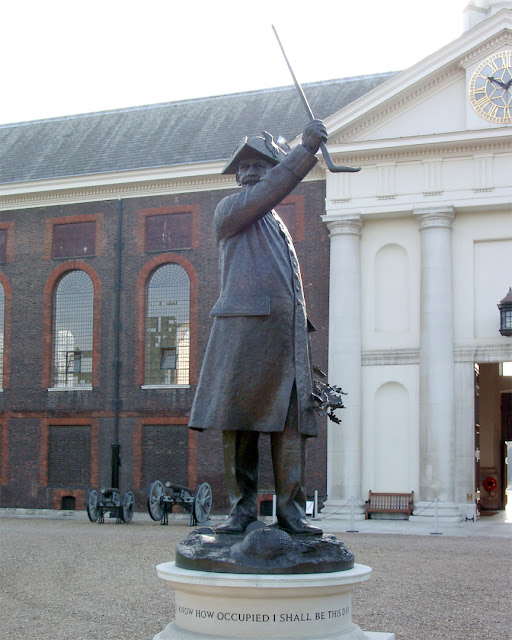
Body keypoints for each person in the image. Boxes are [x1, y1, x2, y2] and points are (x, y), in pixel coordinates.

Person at [189, 119, 327, 535]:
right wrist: (305, 154)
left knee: (290, 430)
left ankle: (292, 513)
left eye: (261, 166)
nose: (250, 173)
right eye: (243, 167)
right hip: (245, 339)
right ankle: (241, 511)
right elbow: (272, 192)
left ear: (271, 170)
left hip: (285, 343)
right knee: (240, 426)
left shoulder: (277, 224)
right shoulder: (231, 210)